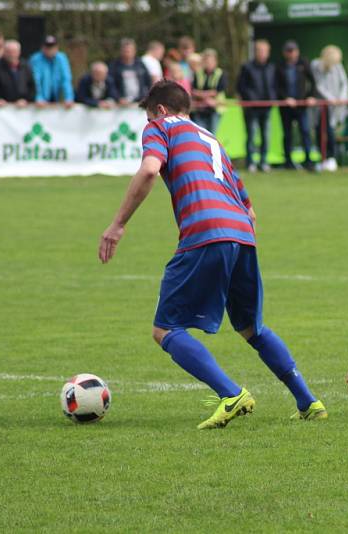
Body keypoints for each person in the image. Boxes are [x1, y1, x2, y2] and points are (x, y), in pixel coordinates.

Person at [98, 80, 327, 429]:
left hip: (205, 233)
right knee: (252, 327)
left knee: (165, 329)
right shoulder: (212, 140)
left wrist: (117, 225)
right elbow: (250, 210)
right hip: (242, 235)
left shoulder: (159, 127)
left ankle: (230, 394)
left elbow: (148, 169)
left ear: (160, 110)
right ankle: (308, 401)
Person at [275, 40, 316, 171]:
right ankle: (288, 161)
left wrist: (310, 96)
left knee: (305, 131)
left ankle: (308, 160)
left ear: (297, 51)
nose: (291, 53)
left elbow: (313, 82)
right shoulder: (280, 66)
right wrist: (285, 98)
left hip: (301, 106)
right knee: (287, 134)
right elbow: (276, 86)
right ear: (285, 53)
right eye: (288, 51)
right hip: (286, 107)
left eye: (293, 50)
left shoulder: (303, 63)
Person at [237, 39, 276, 172]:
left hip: (266, 107)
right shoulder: (247, 67)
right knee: (252, 136)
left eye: (264, 51)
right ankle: (251, 162)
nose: (262, 53)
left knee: (266, 135)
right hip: (252, 108)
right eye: (259, 50)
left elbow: (274, 86)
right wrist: (251, 99)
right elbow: (241, 87)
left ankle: (264, 161)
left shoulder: (271, 68)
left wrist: (272, 98)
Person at [311, 44, 348, 173]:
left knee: (331, 131)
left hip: (336, 105)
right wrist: (331, 98)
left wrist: (341, 99)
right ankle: (323, 158)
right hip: (322, 105)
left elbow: (344, 83)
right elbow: (319, 85)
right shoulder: (316, 65)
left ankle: (332, 158)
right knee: (319, 131)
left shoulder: (338, 66)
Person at [29, 35, 74, 109]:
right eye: (47, 47)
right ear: (42, 48)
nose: (50, 50)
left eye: (52, 47)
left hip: (55, 96)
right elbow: (36, 80)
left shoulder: (62, 59)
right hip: (40, 99)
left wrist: (69, 98)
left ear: (57, 48)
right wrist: (39, 97)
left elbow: (66, 79)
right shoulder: (36, 59)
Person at [190, 48, 226, 135]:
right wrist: (207, 96)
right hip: (199, 109)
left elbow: (218, 90)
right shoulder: (197, 73)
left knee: (211, 135)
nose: (208, 63)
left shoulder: (220, 73)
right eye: (206, 61)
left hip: (215, 110)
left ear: (215, 62)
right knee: (199, 135)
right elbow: (193, 90)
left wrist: (201, 94)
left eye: (210, 61)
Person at [0, 40, 35, 106]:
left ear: (19, 52)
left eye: (14, 52)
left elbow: (32, 87)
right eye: (9, 52)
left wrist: (26, 100)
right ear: (4, 52)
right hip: (2, 106)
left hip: (23, 106)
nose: (11, 54)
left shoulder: (26, 66)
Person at [110, 38, 152, 105]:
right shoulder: (114, 66)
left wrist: (146, 97)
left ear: (134, 51)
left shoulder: (141, 64)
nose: (127, 53)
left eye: (129, 50)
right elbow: (111, 85)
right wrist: (118, 98)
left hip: (139, 102)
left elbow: (148, 82)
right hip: (121, 104)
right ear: (121, 51)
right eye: (125, 50)